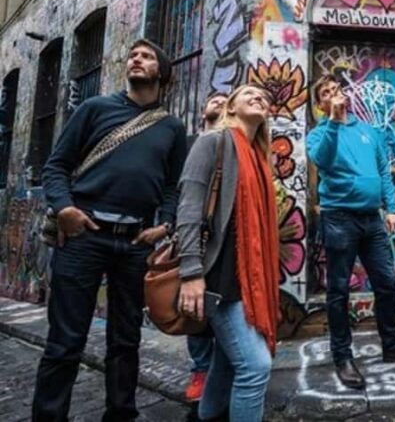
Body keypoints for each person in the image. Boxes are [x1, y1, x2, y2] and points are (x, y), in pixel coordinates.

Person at [33, 39, 187, 421]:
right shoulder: (94, 109)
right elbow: (56, 166)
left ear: (162, 73)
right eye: (133, 55)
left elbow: (172, 185)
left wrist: (163, 224)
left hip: (136, 242)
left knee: (126, 339)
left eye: (147, 56)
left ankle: (121, 414)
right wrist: (65, 208)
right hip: (84, 235)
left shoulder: (171, 127)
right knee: (65, 341)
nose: (136, 59)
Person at [307, 75, 395, 390]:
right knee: (338, 290)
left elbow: (383, 172)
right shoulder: (319, 134)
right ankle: (342, 356)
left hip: (372, 220)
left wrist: (390, 209)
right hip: (338, 218)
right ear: (320, 104)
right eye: (326, 93)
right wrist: (333, 122)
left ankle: (393, 345)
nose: (334, 94)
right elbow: (322, 160)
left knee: (386, 283)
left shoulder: (368, 131)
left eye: (337, 89)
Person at [177, 85, 280, 421]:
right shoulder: (212, 142)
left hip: (244, 279)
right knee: (255, 366)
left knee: (226, 361)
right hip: (217, 277)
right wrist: (191, 273)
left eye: (264, 97)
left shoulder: (258, 158)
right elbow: (189, 209)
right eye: (249, 93)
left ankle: (203, 416)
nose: (259, 97)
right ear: (231, 107)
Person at [184, 91, 228, 403]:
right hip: (192, 234)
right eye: (213, 100)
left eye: (226, 100)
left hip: (221, 237)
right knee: (196, 309)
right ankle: (201, 369)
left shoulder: (230, 145)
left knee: (221, 303)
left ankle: (220, 372)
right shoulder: (190, 143)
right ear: (203, 111)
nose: (219, 102)